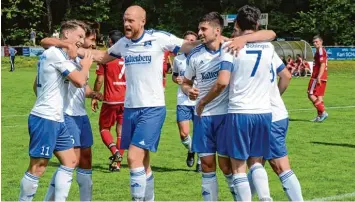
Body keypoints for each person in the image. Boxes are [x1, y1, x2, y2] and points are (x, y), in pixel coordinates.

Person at [199, 5, 276, 201]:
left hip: (240, 112)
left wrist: (203, 102)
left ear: (237, 24)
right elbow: (271, 34)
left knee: (238, 167)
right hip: (264, 112)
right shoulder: (268, 46)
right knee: (256, 162)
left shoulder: (230, 47)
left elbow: (222, 81)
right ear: (257, 24)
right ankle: (266, 198)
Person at [19, 20, 92, 201]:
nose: (81, 41)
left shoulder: (55, 53)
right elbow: (80, 81)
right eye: (79, 36)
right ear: (66, 34)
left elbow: (36, 85)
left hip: (56, 118)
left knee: (70, 161)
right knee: (38, 167)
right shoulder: (55, 54)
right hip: (45, 119)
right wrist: (86, 66)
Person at [40, 20, 101, 201]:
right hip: (67, 114)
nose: (89, 43)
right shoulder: (65, 53)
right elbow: (45, 41)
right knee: (70, 162)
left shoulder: (83, 58)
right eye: (87, 38)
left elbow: (83, 87)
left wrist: (94, 94)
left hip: (81, 116)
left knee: (86, 159)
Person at [181, 12, 236, 201]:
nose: (200, 33)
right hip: (203, 117)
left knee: (227, 166)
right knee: (206, 164)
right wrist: (188, 90)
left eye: (203, 29)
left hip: (225, 116)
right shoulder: (195, 55)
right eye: (199, 29)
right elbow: (185, 82)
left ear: (217, 30)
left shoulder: (231, 49)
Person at [247, 52, 304, 201]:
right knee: (256, 162)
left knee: (279, 166)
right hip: (274, 115)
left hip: (270, 118)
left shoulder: (244, 53)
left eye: (235, 30)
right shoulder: (268, 49)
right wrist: (275, 97)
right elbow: (286, 76)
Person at [92, 30, 126, 172]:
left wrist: (95, 95)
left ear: (111, 42)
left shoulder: (106, 57)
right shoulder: (129, 56)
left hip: (111, 100)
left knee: (104, 128)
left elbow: (100, 79)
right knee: (121, 132)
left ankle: (115, 152)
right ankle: (117, 164)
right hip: (127, 100)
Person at [172, 31, 201, 171]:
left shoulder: (202, 58)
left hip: (199, 100)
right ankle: (191, 151)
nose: (189, 42)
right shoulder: (178, 59)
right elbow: (175, 76)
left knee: (200, 132)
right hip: (183, 99)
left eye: (192, 40)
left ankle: (200, 160)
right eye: (187, 40)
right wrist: (176, 79)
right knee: (184, 134)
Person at [308, 35, 328, 122]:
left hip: (317, 76)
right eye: (314, 42)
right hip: (323, 76)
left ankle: (323, 112)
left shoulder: (320, 50)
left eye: (317, 42)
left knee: (310, 94)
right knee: (319, 96)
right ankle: (319, 116)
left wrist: (319, 76)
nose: (315, 43)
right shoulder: (320, 51)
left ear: (321, 42)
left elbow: (323, 64)